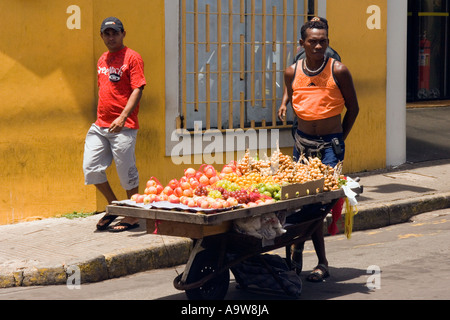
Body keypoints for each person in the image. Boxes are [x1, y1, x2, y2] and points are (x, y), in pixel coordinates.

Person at [283, 18, 359, 281]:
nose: (318, 46)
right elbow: (293, 99)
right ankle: (298, 254)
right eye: (312, 41)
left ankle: (321, 261)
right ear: (302, 43)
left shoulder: (339, 70)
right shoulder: (292, 72)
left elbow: (354, 108)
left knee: (319, 206)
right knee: (300, 204)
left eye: (323, 41)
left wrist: (338, 140)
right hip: (302, 146)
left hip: (330, 148)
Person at [83, 17, 146, 232]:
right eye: (106, 34)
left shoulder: (132, 57)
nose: (111, 37)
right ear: (102, 36)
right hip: (100, 125)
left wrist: (122, 116)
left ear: (123, 34)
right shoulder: (102, 58)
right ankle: (116, 206)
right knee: (91, 169)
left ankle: (134, 214)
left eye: (115, 33)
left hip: (124, 125)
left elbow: (138, 89)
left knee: (126, 173)